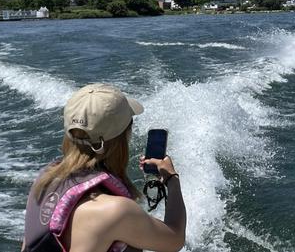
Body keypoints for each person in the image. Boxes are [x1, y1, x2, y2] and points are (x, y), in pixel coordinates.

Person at [21, 83, 186, 252]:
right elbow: (175, 239)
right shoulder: (116, 211)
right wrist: (171, 178)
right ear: (123, 137)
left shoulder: (44, 181)